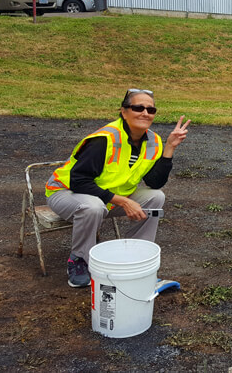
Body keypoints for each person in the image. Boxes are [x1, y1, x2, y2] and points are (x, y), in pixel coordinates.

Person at [45, 89, 191, 287]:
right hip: (66, 192)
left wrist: (170, 148)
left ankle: (135, 255)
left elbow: (154, 183)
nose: (145, 113)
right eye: (138, 107)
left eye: (151, 109)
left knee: (156, 197)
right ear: (124, 111)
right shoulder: (105, 139)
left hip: (106, 197)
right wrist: (121, 200)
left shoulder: (153, 141)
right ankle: (79, 260)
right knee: (93, 207)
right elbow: (78, 180)